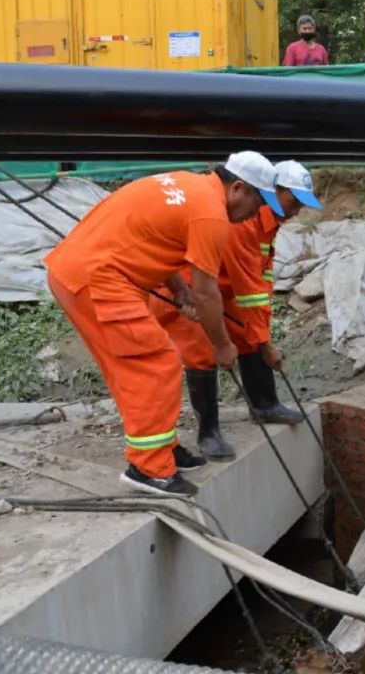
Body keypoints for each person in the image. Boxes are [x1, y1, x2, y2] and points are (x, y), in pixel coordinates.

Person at [44, 152, 279, 496]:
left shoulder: (190, 186)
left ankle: (161, 447)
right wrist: (223, 345)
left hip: (83, 272)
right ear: (238, 188)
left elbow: (156, 239)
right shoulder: (211, 215)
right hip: (98, 278)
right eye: (257, 203)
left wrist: (178, 289)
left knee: (135, 367)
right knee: (155, 362)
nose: (255, 214)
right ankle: (149, 468)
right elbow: (207, 293)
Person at [151, 161, 323, 461]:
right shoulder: (244, 223)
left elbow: (259, 278)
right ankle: (209, 433)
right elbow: (250, 292)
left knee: (246, 333)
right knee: (202, 351)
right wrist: (266, 345)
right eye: (294, 202)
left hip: (222, 286)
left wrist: (259, 337)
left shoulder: (270, 222)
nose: (297, 211)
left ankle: (264, 404)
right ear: (275, 191)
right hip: (188, 288)